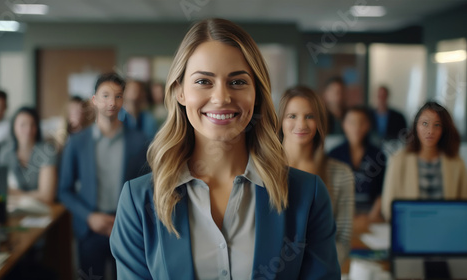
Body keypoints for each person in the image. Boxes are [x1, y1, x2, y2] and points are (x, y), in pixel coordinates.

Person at [110, 18, 340, 279]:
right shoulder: (138, 202)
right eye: (203, 82)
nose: (221, 98)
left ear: (257, 93)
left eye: (238, 82)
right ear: (179, 92)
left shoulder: (306, 196)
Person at [59, 73, 148, 278]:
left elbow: (148, 188)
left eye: (118, 96)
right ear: (94, 101)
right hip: (90, 228)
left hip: (127, 228)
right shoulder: (77, 142)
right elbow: (64, 190)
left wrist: (126, 217)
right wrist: (89, 217)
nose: (112, 102)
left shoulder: (139, 141)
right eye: (105, 96)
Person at [279, 85, 355, 265]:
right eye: (292, 116)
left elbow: (343, 240)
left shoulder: (341, 174)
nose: (301, 124)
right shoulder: (262, 169)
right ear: (280, 121)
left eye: (310, 116)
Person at [381, 101, 467, 220]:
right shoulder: (398, 160)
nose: (430, 131)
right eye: (425, 124)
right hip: (410, 228)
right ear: (416, 126)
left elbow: (463, 206)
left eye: (437, 125)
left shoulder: (457, 163)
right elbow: (387, 207)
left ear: (444, 129)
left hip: (446, 229)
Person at [328, 106, 386, 227]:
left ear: (369, 125)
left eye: (362, 122)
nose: (357, 127)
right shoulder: (334, 155)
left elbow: (383, 190)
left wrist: (371, 217)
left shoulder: (378, 155)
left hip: (371, 217)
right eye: (352, 122)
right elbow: (329, 190)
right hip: (340, 218)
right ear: (344, 124)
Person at [0, 107, 57, 204]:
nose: (28, 129)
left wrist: (15, 194)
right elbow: (0, 190)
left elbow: (47, 196)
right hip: (15, 207)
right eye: (23, 125)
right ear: (14, 127)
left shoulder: (46, 151)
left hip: (43, 208)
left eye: (32, 125)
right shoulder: (5, 154)